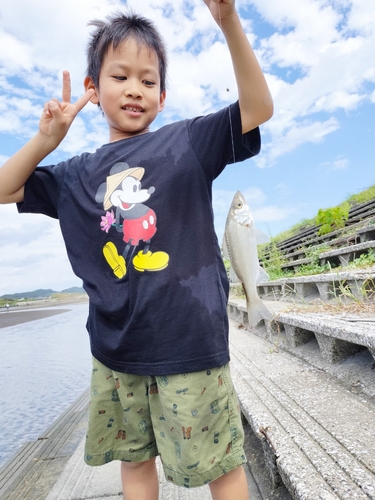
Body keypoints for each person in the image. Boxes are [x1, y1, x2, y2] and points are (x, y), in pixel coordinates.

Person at [0, 1, 273, 499]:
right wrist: (45, 142)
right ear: (93, 89)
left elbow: (258, 109)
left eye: (148, 81)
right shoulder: (74, 175)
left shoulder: (187, 141)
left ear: (163, 96)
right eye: (119, 76)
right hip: (114, 352)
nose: (134, 89)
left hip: (190, 344)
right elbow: (4, 187)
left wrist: (229, 21)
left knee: (223, 465)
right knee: (134, 462)